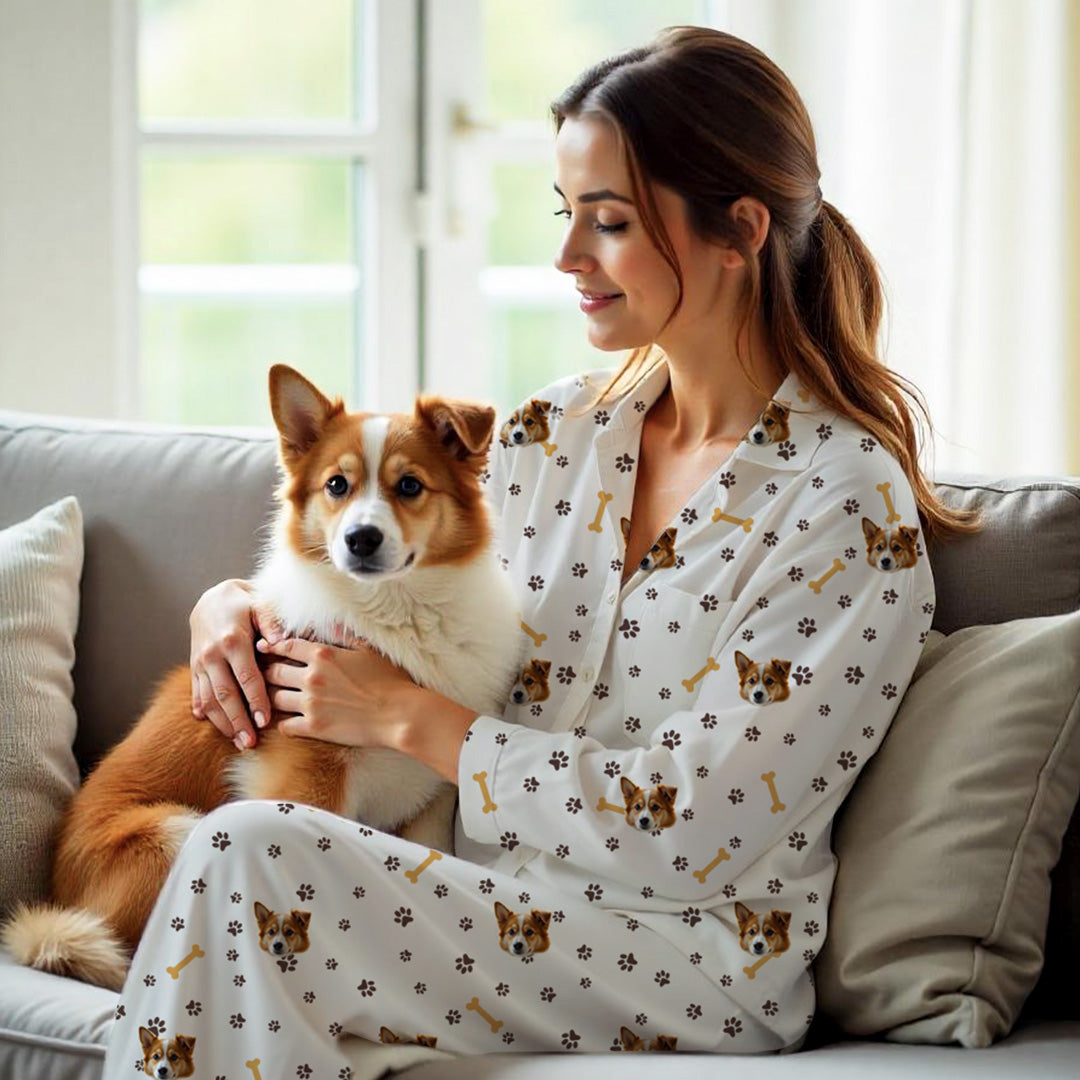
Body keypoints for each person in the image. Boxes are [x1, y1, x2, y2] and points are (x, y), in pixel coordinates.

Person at [103, 25, 981, 1076]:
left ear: (739, 229)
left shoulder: (845, 507)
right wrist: (234, 605)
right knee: (242, 866)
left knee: (250, 854)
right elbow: (394, 579)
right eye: (565, 217)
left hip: (687, 952)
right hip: (483, 896)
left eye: (607, 223)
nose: (566, 258)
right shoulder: (550, 437)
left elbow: (699, 827)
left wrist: (412, 720)